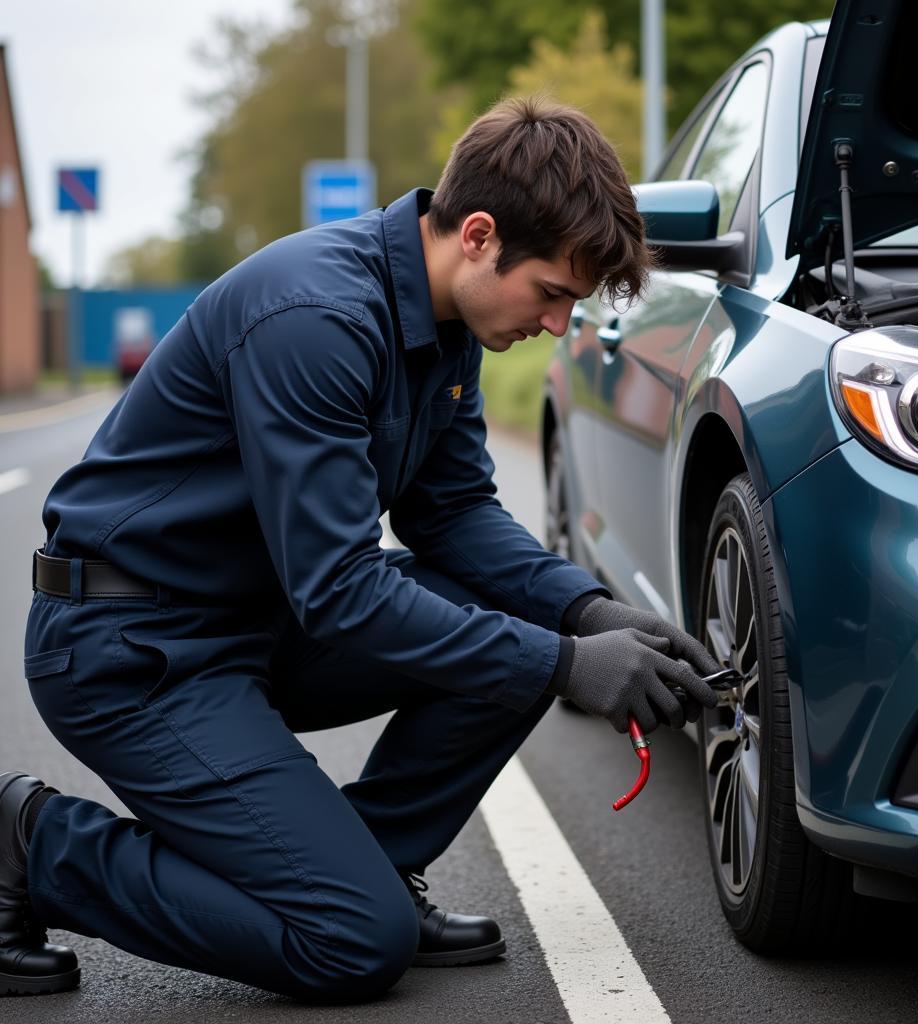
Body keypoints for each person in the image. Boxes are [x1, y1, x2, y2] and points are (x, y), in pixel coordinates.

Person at [3, 97, 720, 1002]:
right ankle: (32, 844)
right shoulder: (315, 317)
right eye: (552, 293)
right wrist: (569, 662)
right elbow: (340, 590)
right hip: (131, 648)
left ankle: (371, 867)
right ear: (479, 235)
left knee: (518, 622)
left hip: (255, 621)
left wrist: (589, 612)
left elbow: (453, 515)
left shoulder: (447, 326)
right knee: (351, 945)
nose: (556, 326)